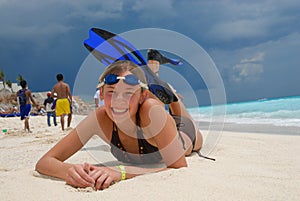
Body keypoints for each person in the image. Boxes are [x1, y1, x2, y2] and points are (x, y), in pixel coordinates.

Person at [36, 60, 203, 190]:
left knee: (178, 111)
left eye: (129, 93)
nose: (119, 101)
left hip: (185, 134)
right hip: (156, 120)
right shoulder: (100, 118)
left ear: (142, 96)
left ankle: (171, 94)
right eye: (111, 92)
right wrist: (70, 171)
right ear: (101, 93)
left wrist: (121, 172)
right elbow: (44, 162)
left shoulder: (151, 110)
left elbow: (178, 166)